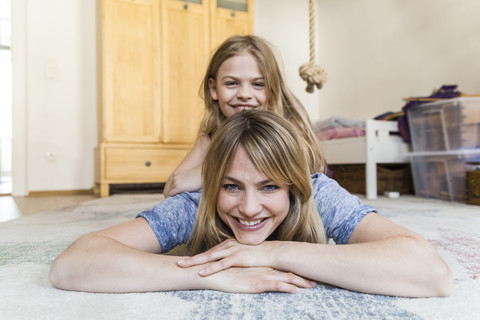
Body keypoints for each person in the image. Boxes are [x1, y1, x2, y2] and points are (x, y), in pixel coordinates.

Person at [49, 110, 452, 297]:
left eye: (270, 187)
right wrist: (211, 273)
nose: (249, 208)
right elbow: (73, 263)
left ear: (295, 186)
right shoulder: (195, 203)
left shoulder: (318, 193)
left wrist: (273, 253)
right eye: (232, 187)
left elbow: (430, 273)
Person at [163, 35, 325, 198]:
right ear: (213, 89)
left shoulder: (290, 125)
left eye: (258, 84)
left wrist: (209, 173)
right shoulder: (210, 137)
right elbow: (172, 186)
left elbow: (293, 167)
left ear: (272, 89)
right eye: (231, 83)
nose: (245, 94)